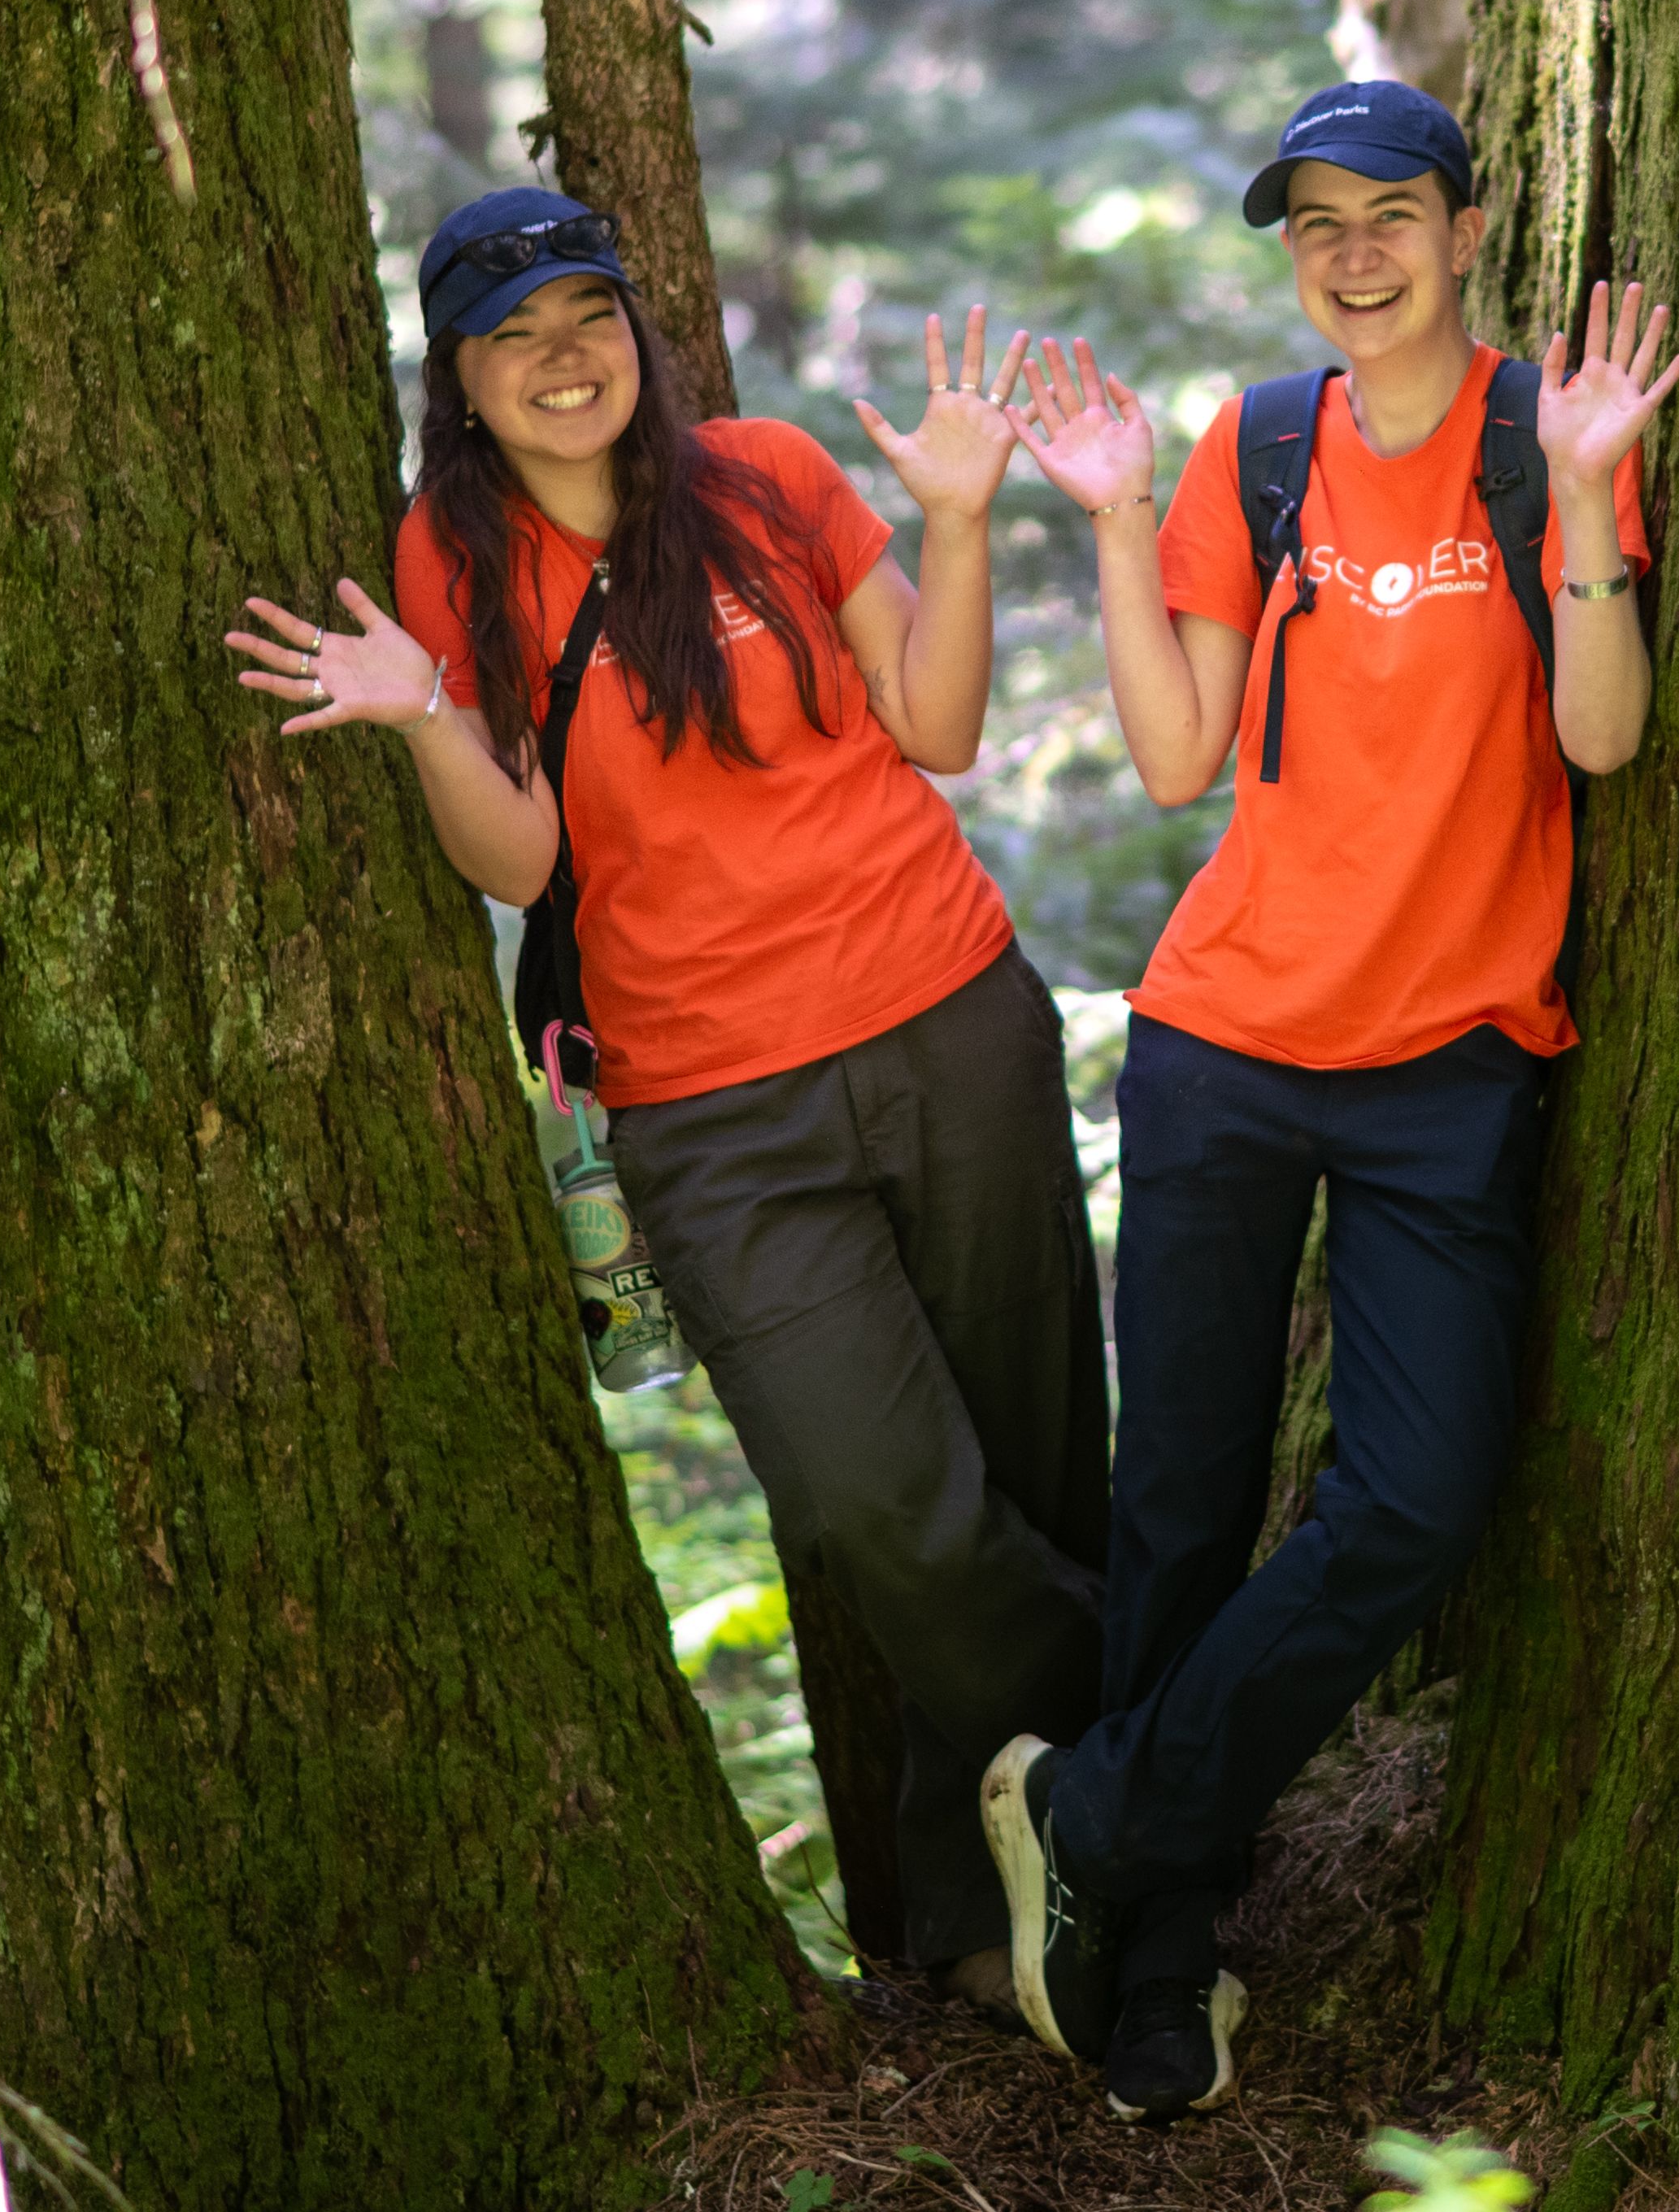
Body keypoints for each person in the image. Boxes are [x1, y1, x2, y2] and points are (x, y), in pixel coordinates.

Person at [225, 188, 1106, 2010]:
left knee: (1027, 1468)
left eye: (587, 315)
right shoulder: (450, 559)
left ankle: (998, 1935)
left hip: (950, 1017)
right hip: (710, 1109)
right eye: (513, 333)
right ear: (458, 380)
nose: (565, 357)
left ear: (638, 332)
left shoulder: (772, 478)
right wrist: (421, 718)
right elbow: (525, 857)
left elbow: (936, 726)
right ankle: (1166, 1753)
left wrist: (954, 523)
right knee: (880, 1502)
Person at [980, 80, 1679, 2121]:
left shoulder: (1533, 439)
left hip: (1449, 1062)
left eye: (1390, 213)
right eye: (1313, 225)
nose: (1352, 252)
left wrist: (1582, 507)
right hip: (1223, 1044)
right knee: (1182, 1499)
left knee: (1411, 1500)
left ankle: (1098, 1811)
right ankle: (1153, 1953)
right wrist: (1115, 515)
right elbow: (1179, 755)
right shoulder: (1258, 447)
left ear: (1465, 230)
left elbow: (1600, 736)